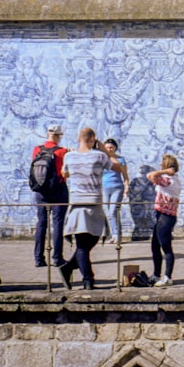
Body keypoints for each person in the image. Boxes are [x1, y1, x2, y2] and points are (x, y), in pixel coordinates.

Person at [58, 127, 123, 290]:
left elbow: (64, 174)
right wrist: (105, 151)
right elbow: (118, 168)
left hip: (77, 203)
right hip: (93, 202)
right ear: (93, 140)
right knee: (83, 245)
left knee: (86, 242)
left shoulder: (69, 156)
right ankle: (88, 280)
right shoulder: (100, 156)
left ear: (79, 139)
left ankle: (68, 267)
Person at [32, 124, 68, 268]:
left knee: (41, 223)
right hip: (58, 190)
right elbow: (64, 172)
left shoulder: (37, 150)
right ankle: (57, 258)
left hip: (41, 190)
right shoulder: (62, 151)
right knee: (58, 223)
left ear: (47, 134)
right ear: (59, 136)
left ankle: (38, 258)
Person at [146, 154, 182, 287]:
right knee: (155, 245)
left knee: (166, 247)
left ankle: (167, 276)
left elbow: (150, 175)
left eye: (163, 164)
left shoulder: (168, 180)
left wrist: (164, 172)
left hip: (165, 216)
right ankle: (156, 274)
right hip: (164, 216)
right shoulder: (175, 180)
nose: (160, 165)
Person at [101, 138, 131, 245]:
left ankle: (116, 235)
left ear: (115, 148)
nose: (109, 149)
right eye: (107, 148)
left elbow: (125, 176)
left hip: (117, 187)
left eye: (111, 147)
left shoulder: (120, 160)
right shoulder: (102, 160)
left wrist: (126, 187)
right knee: (107, 212)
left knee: (112, 211)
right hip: (104, 188)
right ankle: (115, 235)